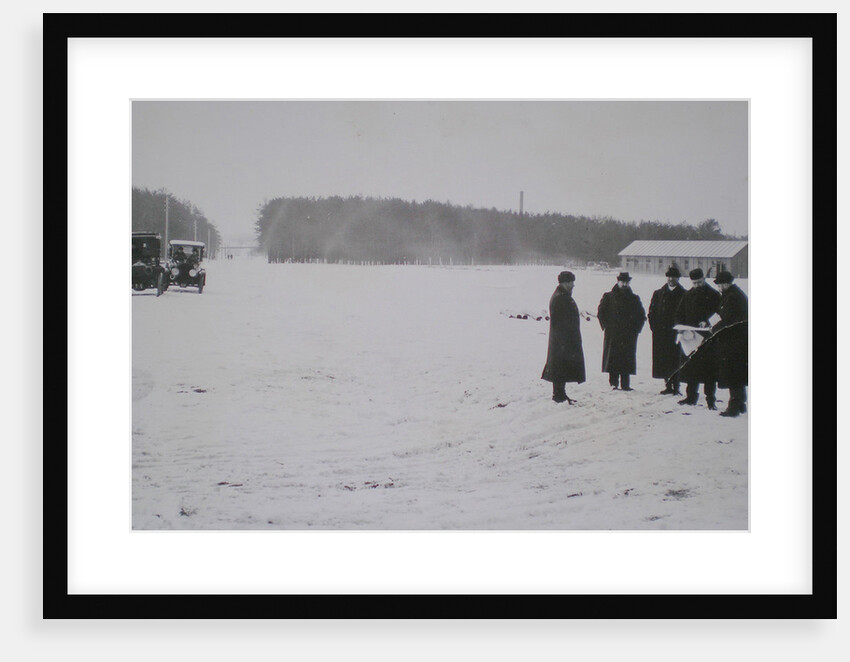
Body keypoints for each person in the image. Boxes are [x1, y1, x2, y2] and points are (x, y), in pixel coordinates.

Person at [674, 268, 721, 409]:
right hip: (690, 338)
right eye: (694, 283)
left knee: (709, 372)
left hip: (708, 338)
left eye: (699, 282)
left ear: (704, 279)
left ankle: (710, 400)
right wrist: (680, 327)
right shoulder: (687, 295)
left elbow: (720, 313)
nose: (697, 286)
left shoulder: (714, 295)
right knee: (691, 369)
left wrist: (708, 322)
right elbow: (679, 313)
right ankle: (691, 397)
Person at [541, 271, 586, 404]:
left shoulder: (562, 296)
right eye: (571, 282)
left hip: (562, 339)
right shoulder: (561, 298)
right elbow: (562, 321)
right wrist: (568, 338)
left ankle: (561, 393)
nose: (573, 285)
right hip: (562, 339)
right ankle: (558, 395)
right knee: (560, 366)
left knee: (561, 366)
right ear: (564, 283)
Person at [597, 272, 646, 391]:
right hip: (613, 333)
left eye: (626, 282)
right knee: (613, 358)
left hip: (628, 335)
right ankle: (613, 383)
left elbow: (641, 316)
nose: (624, 284)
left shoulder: (634, 298)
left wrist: (636, 330)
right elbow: (601, 313)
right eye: (622, 282)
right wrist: (606, 327)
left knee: (626, 358)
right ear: (617, 282)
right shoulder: (609, 297)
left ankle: (625, 384)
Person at [712, 271, 748, 417]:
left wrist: (713, 328)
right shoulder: (733, 295)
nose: (719, 287)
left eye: (720, 284)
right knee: (737, 372)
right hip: (738, 339)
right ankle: (740, 403)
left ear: (726, 284)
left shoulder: (732, 297)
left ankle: (734, 407)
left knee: (733, 373)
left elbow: (728, 319)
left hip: (734, 341)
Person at [647, 266, 687, 395]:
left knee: (676, 359)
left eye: (674, 277)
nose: (671, 279)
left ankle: (676, 386)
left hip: (676, 333)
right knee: (663, 360)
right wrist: (654, 328)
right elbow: (651, 313)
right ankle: (668, 385)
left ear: (678, 278)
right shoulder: (658, 293)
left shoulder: (684, 294)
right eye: (669, 277)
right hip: (661, 333)